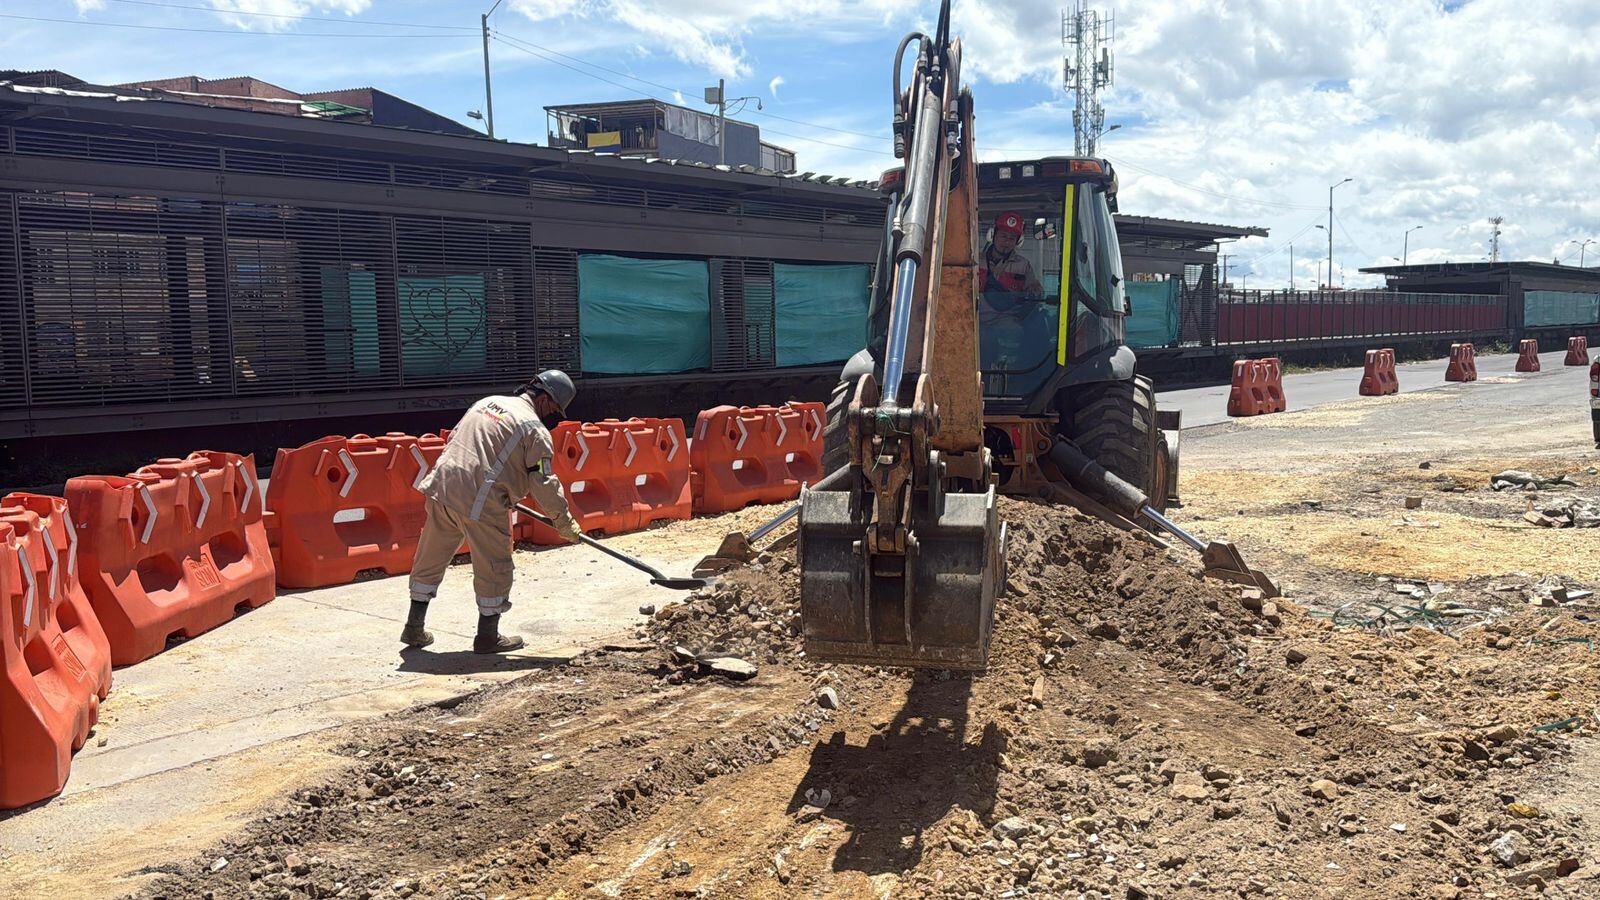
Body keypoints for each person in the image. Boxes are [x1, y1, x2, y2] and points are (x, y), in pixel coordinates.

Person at [402, 370, 584, 654]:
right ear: (545, 400)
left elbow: (461, 441)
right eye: (553, 410)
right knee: (495, 566)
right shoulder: (534, 429)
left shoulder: (486, 403)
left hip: (443, 486)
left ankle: (414, 626)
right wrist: (563, 521)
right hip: (481, 498)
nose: (552, 416)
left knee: (431, 555)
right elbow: (543, 481)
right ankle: (488, 636)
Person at [979, 210, 1043, 300]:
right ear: (993, 236)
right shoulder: (977, 261)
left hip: (1011, 309)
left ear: (1018, 242)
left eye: (1012, 238)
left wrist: (1035, 291)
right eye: (1003, 236)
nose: (1007, 242)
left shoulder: (1023, 266)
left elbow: (1037, 294)